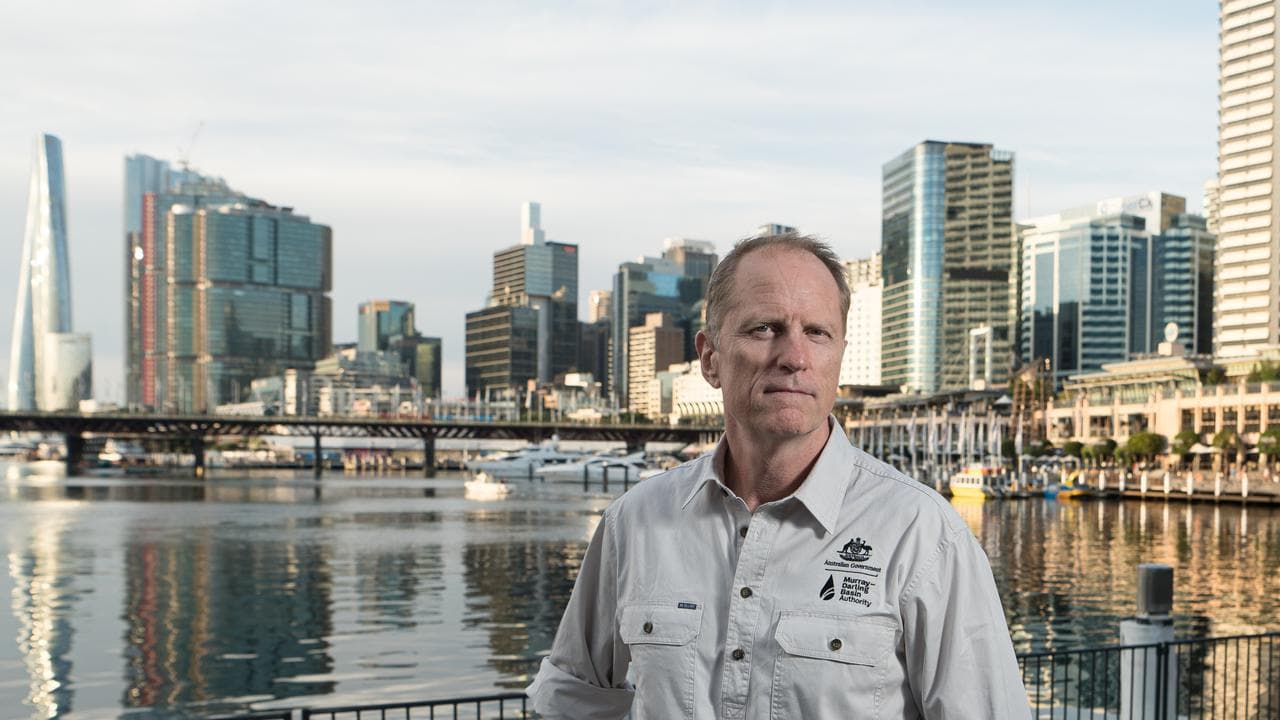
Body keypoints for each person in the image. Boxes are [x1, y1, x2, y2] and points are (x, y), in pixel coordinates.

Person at [527, 234, 1029, 718]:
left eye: (817, 332)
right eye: (764, 329)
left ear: (838, 356)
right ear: (709, 357)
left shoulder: (921, 535)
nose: (794, 357)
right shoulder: (633, 524)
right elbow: (573, 703)